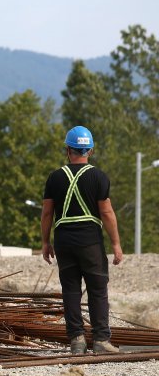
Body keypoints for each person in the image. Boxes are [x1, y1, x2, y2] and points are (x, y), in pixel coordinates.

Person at [41, 126, 123, 354]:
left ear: (68, 149)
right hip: (90, 243)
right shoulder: (98, 177)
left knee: (70, 290)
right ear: (91, 150)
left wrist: (45, 242)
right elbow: (106, 213)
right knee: (97, 289)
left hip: (63, 241)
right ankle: (100, 341)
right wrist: (116, 244)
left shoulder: (55, 177)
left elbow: (47, 213)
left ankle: (77, 340)